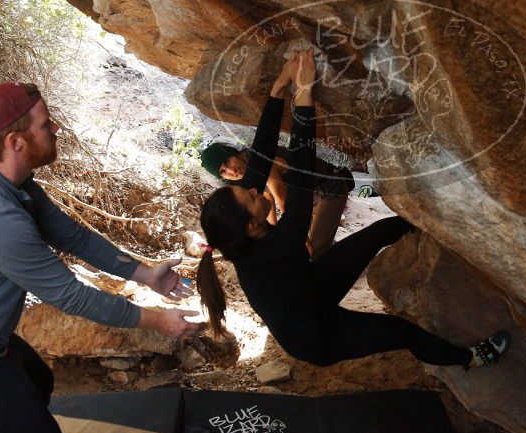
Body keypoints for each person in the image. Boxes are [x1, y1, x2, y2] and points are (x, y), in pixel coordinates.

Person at [196, 50, 509, 370]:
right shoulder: (275, 248)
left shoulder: (245, 233)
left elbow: (260, 155)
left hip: (310, 286)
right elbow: (303, 172)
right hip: (317, 336)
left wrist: (278, 90)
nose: (253, 187)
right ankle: (468, 358)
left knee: (382, 230)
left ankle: (446, 230)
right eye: (250, 196)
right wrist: (304, 91)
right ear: (252, 226)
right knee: (402, 333)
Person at [0, 82, 204, 433]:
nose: (56, 128)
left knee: (38, 382)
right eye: (46, 124)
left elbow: (72, 235)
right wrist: (159, 322)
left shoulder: (12, 183)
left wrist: (147, 275)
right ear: (16, 142)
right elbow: (70, 295)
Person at [199, 63, 354, 260]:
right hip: (311, 197)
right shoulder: (250, 180)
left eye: (227, 162)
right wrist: (272, 231)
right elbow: (268, 201)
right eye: (223, 171)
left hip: (329, 189)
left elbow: (280, 195)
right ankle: (332, 253)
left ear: (233, 153)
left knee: (312, 253)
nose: (231, 170)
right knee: (310, 242)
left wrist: (295, 231)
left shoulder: (259, 159)